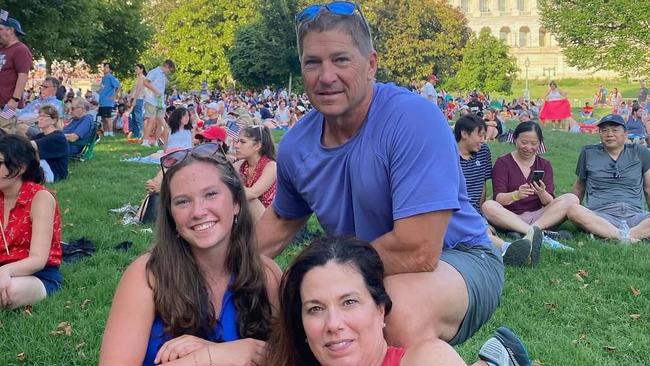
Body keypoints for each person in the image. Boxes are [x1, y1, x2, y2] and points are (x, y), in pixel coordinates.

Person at [257, 2, 517, 362]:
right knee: (274, 300)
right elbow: (283, 219)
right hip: (359, 269)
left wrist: (316, 279)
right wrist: (220, 267)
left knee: (394, 310)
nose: (326, 76)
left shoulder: (412, 119)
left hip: (459, 258)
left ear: (371, 65)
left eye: (341, 60)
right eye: (312, 62)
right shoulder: (297, 145)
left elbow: (419, 250)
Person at [100, 143, 281, 365]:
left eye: (211, 194)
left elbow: (284, 357)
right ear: (171, 215)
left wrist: (211, 349)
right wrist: (210, 357)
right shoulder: (147, 276)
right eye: (183, 201)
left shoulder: (266, 275)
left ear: (236, 203)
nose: (198, 212)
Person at [269, 236, 530, 366]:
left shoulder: (427, 359)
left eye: (349, 302)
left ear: (380, 308)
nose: (333, 323)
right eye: (315, 308)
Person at [455, 114, 539, 266]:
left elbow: (482, 185)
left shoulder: (483, 151)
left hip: (474, 212)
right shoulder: (448, 155)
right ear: (464, 134)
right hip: (456, 212)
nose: (483, 140)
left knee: (484, 229)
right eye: (480, 135)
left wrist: (478, 211)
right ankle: (509, 249)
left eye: (484, 136)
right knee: (477, 231)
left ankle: (511, 250)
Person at [482, 122, 578, 250]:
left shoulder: (544, 164)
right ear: (515, 139)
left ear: (539, 144)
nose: (528, 147)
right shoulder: (503, 162)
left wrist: (542, 192)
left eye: (534, 144)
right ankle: (540, 235)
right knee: (488, 206)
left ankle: (528, 232)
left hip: (539, 216)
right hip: (510, 216)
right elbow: (499, 198)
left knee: (572, 198)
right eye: (524, 142)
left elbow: (549, 202)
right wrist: (516, 195)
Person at [0, 134, 63, 308]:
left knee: (8, 291)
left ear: (20, 167)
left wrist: (5, 270)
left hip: (37, 274)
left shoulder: (39, 198)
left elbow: (38, 260)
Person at [566, 114, 650, 243]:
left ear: (625, 133)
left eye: (615, 130)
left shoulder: (640, 152)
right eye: (604, 130)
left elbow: (648, 188)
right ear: (599, 133)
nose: (609, 134)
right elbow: (579, 187)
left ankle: (620, 235)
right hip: (601, 216)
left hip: (635, 214)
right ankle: (629, 235)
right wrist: (571, 214)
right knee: (573, 210)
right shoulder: (588, 153)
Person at [234, 125, 277, 222]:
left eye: (243, 142)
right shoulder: (239, 165)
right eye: (237, 141)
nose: (237, 145)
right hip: (248, 218)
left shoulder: (271, 166)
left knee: (250, 199)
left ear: (257, 146)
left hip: (270, 221)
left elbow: (252, 193)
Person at [0, 16, 32, 134]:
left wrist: (14, 100)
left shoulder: (21, 50)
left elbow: (22, 76)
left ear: (11, 30)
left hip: (8, 105)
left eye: (0, 29)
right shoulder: (2, 49)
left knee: (4, 134)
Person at [29, 106, 69, 183]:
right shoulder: (41, 135)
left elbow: (30, 145)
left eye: (44, 116)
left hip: (53, 174)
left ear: (54, 120)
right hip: (44, 169)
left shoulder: (58, 137)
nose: (40, 118)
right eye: (39, 116)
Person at [142, 59, 175, 147]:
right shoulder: (154, 72)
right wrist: (155, 90)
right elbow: (145, 82)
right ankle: (145, 141)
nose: (169, 72)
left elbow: (165, 84)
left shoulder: (163, 75)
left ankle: (156, 141)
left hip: (160, 101)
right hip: (151, 100)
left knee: (160, 122)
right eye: (169, 70)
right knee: (151, 120)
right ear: (166, 66)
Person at [97, 62, 120, 137]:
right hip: (102, 101)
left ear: (110, 70)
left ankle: (111, 133)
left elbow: (118, 86)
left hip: (108, 101)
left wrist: (114, 96)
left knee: (108, 118)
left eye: (107, 67)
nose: (104, 69)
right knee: (103, 118)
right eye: (104, 67)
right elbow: (103, 88)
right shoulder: (103, 78)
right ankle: (106, 133)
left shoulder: (111, 77)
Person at [127, 64, 146, 140]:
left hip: (138, 99)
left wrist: (134, 100)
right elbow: (133, 90)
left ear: (141, 69)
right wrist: (130, 98)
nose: (135, 70)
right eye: (135, 69)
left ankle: (143, 134)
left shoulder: (142, 78)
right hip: (134, 98)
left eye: (137, 69)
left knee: (138, 117)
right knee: (134, 118)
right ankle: (136, 134)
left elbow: (138, 90)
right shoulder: (137, 78)